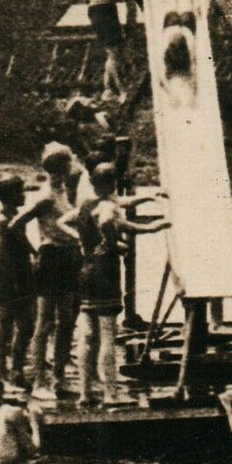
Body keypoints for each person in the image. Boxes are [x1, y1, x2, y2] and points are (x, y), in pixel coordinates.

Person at [61, 163, 170, 406]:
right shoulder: (108, 206)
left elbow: (67, 221)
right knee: (108, 334)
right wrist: (145, 230)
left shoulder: (87, 202)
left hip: (86, 268)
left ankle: (85, 392)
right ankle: (111, 394)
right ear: (112, 183)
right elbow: (109, 220)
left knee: (87, 335)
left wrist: (149, 196)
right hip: (105, 270)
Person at [11, 142, 86, 399]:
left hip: (68, 257)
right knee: (44, 322)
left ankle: (59, 378)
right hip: (51, 258)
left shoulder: (63, 190)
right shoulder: (44, 196)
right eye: (69, 163)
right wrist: (34, 251)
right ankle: (39, 380)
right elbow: (16, 224)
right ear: (62, 168)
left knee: (66, 321)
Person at [0, 173, 36, 385]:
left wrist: (35, 253)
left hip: (20, 276)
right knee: (5, 326)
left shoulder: (13, 217)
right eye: (20, 191)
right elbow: (3, 255)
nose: (24, 195)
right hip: (8, 279)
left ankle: (16, 369)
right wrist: (16, 280)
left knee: (26, 326)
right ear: (9, 195)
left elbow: (22, 239)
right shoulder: (1, 221)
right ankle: (1, 372)